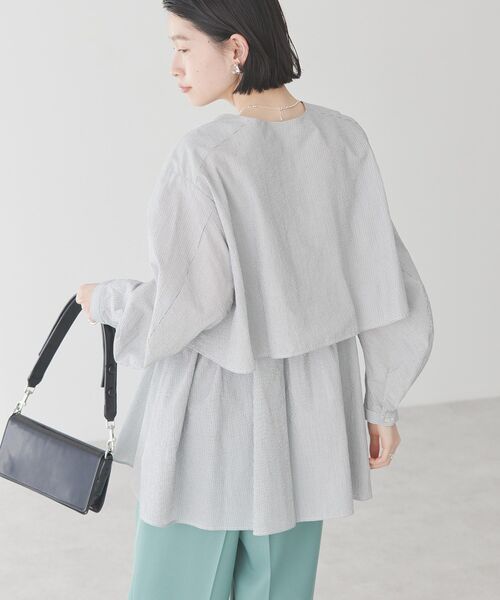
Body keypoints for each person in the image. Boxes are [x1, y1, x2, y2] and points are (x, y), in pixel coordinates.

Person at [75, 0, 434, 598]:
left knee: (177, 587)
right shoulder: (343, 139)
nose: (174, 65)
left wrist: (106, 301)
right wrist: (382, 404)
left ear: (236, 49)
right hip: (311, 419)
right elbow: (385, 281)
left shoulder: (205, 156)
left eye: (184, 46)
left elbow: (186, 306)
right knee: (278, 588)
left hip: (210, 419)